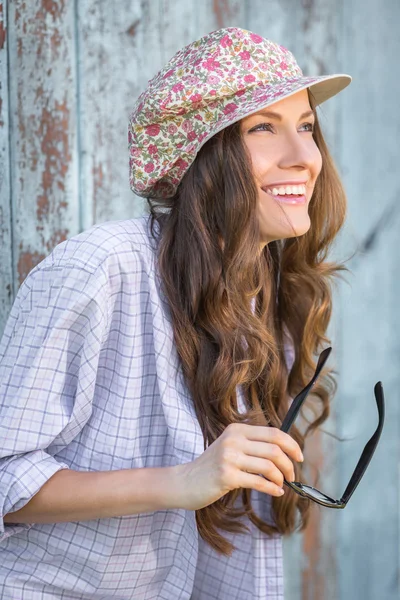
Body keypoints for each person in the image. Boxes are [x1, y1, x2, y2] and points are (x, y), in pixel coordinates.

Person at [0, 27, 351, 600]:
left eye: (306, 126)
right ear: (202, 153)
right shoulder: (102, 268)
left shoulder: (273, 294)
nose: (304, 158)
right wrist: (182, 481)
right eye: (263, 127)